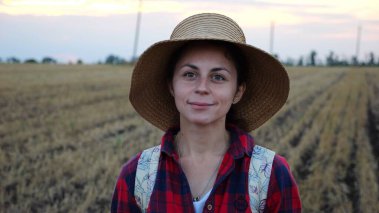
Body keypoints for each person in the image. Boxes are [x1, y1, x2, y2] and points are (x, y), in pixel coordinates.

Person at [111, 13, 301, 212]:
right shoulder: (136, 177)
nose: (202, 87)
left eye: (218, 77)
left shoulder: (271, 175)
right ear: (171, 86)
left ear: (238, 91)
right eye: (190, 74)